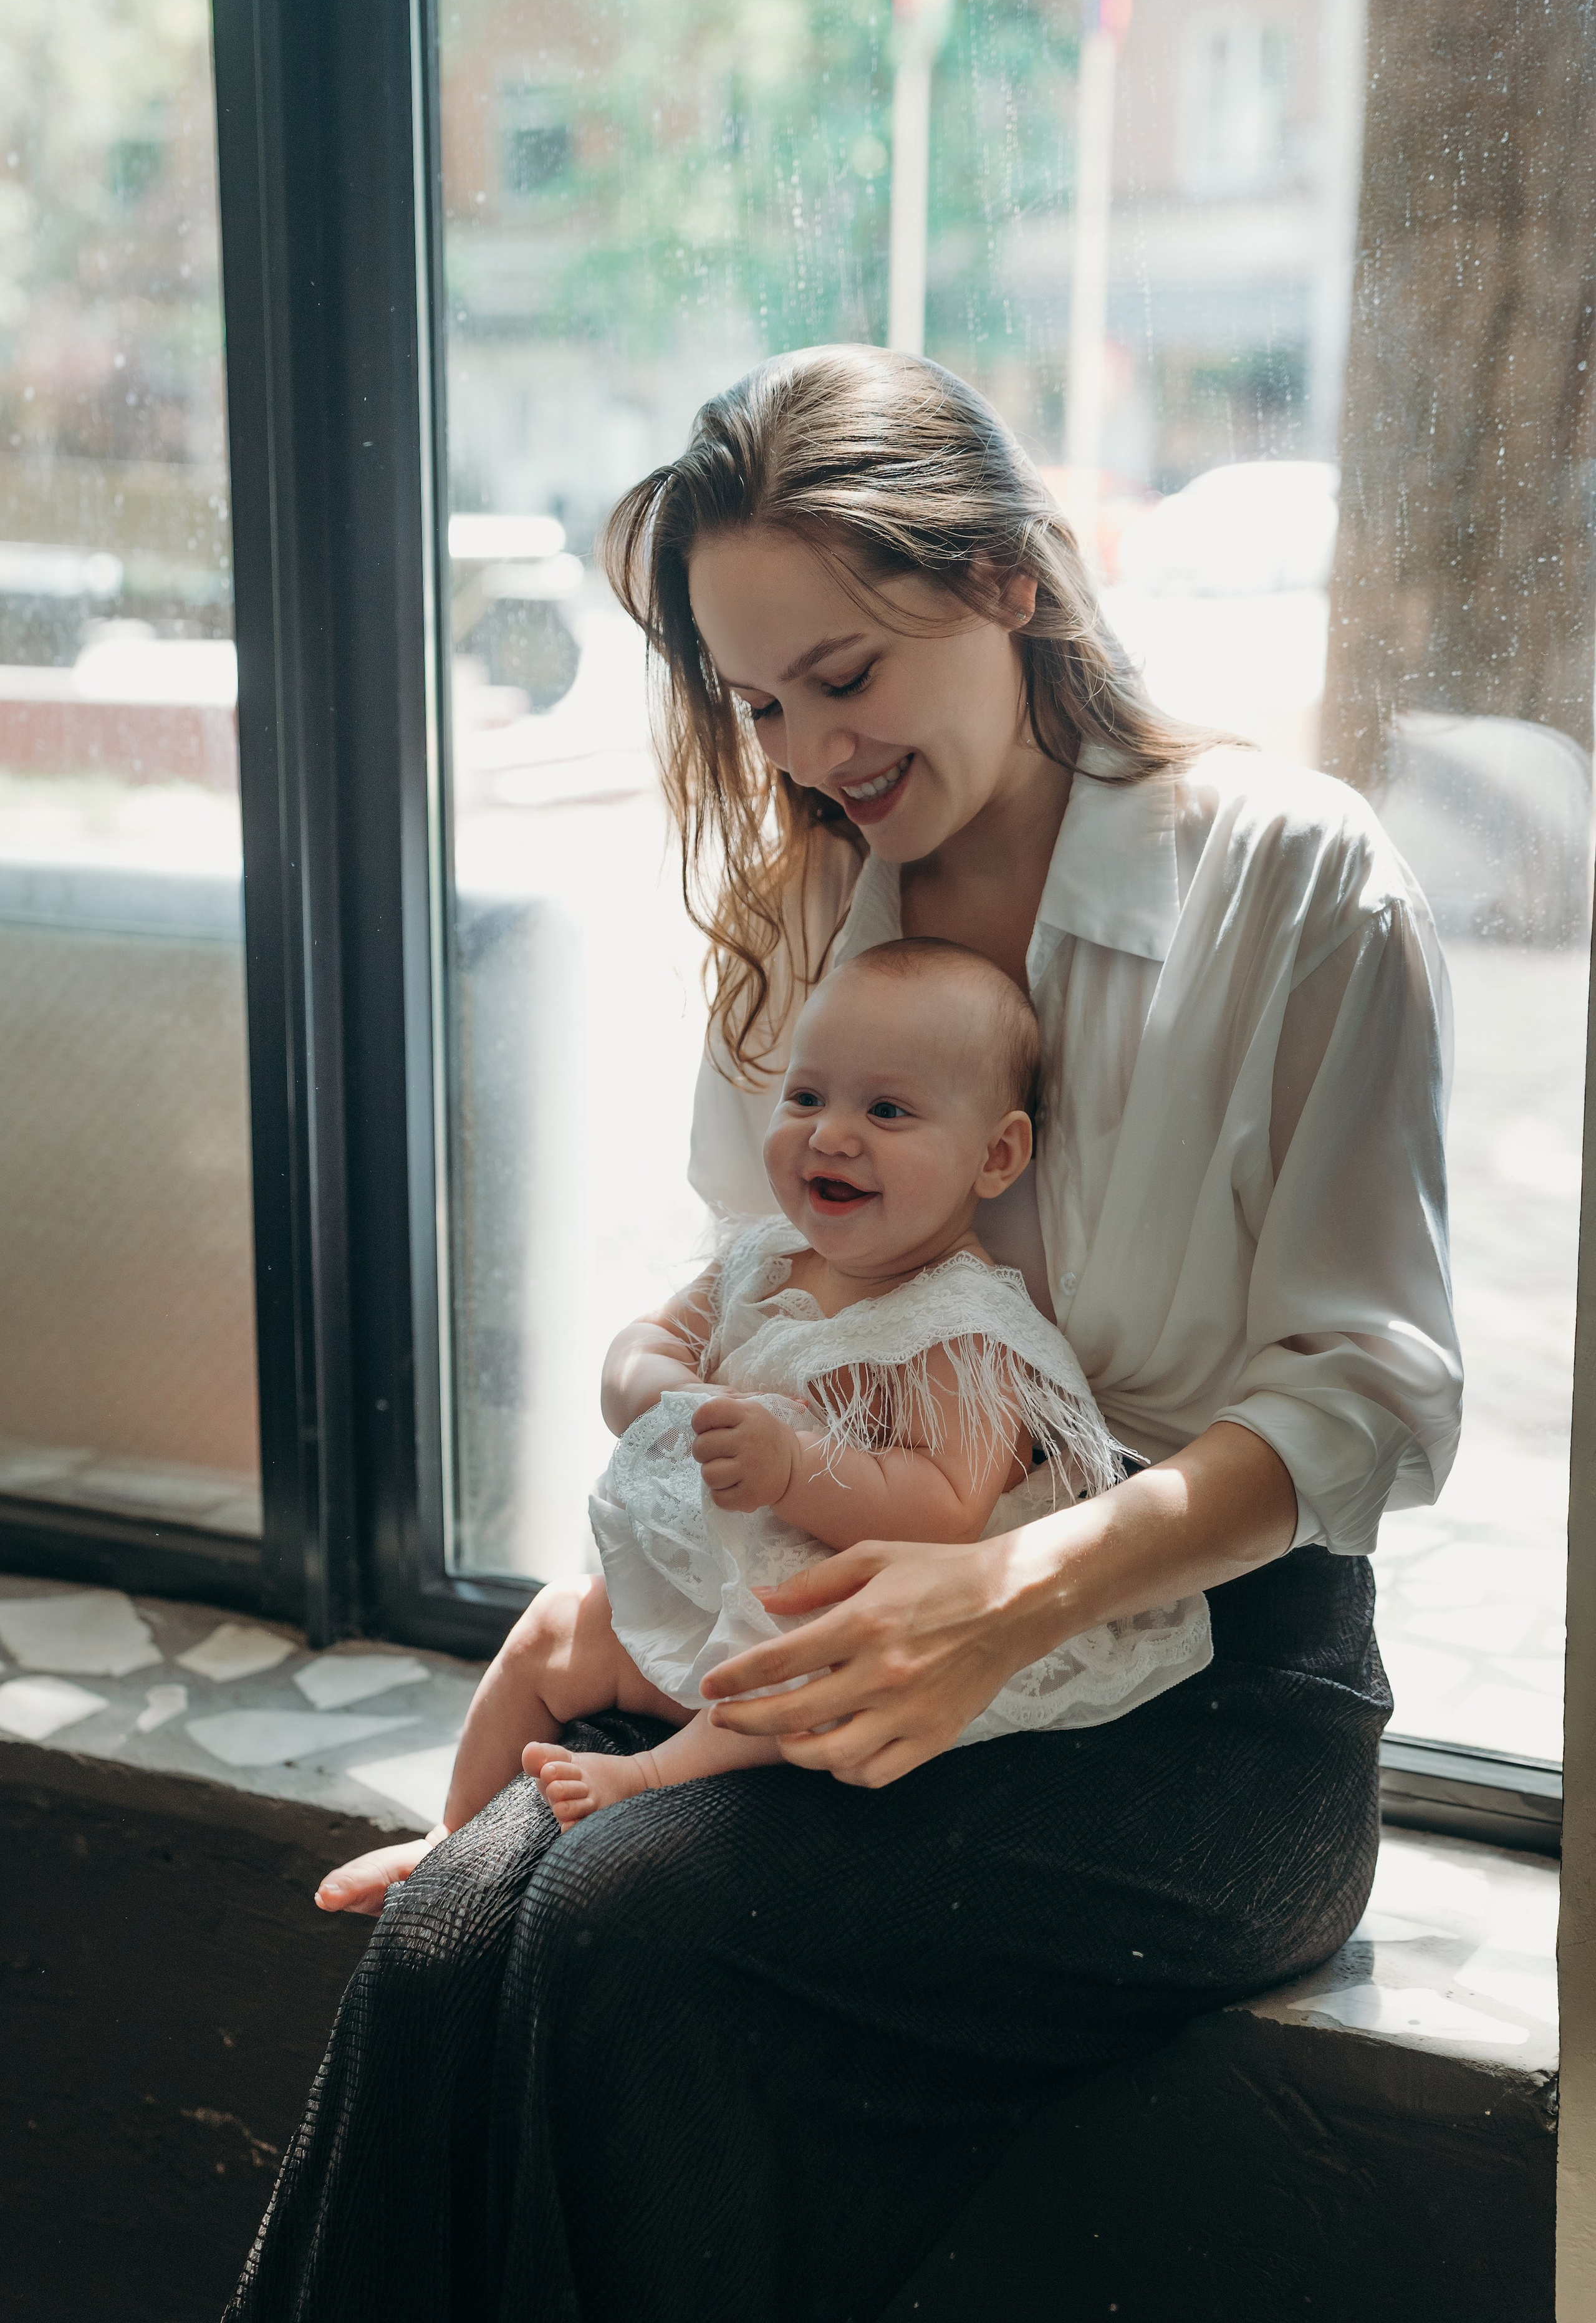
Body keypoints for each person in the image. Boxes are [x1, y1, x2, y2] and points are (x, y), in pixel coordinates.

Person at [226, 346, 1461, 2323]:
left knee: (626, 1942)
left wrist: (1014, 1585)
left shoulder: (1295, 884)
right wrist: (639, 1581)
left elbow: (1371, 1401)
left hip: (1202, 1702)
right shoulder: (805, 908)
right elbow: (757, 1312)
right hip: (820, 1626)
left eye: (848, 676)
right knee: (456, 1938)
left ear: (1012, 586)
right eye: (755, 700)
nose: (806, 750)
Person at [318, 941, 1209, 1895]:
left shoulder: (964, 1328)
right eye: (807, 1097)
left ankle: (652, 1775)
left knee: (810, 1688)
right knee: (549, 1626)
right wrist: (668, 1394)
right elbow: (638, 1351)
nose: (830, 1135)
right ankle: (448, 1839)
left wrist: (795, 1466)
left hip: (839, 1629)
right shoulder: (767, 1260)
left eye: (888, 1110)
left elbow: (948, 1507)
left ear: (997, 1156)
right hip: (710, 1596)